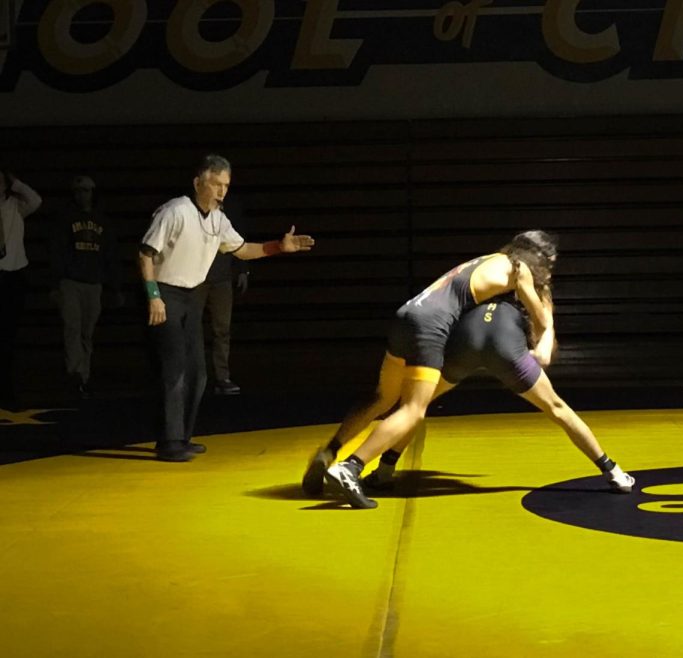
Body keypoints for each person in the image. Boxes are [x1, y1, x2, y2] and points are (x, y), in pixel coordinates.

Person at [302, 295, 634, 507]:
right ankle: (613, 471)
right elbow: (544, 348)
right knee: (558, 408)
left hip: (462, 344)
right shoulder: (534, 290)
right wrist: (541, 342)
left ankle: (383, 469)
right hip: (506, 347)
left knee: (413, 406)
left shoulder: (485, 286)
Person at [312, 231, 558, 508]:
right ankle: (351, 467)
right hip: (429, 327)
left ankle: (330, 451)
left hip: (407, 314)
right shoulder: (519, 269)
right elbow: (539, 318)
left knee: (382, 398)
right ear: (540, 258)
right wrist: (546, 310)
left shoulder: (488, 260)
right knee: (414, 409)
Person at [138, 154, 314, 462]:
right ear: (198, 182)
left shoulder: (219, 220)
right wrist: (154, 295)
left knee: (198, 373)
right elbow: (145, 254)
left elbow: (243, 249)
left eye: (226, 186)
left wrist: (278, 247)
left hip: (192, 296)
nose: (221, 191)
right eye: (216, 184)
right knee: (174, 369)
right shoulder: (176, 210)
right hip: (166, 293)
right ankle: (168, 441)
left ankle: (182, 436)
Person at [49, 175, 123, 398]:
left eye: (86, 190)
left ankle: (84, 376)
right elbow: (56, 252)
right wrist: (55, 283)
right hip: (70, 282)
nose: (82, 195)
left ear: (93, 193)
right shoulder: (65, 219)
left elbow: (111, 255)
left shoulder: (103, 221)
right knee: (72, 328)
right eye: (79, 191)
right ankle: (76, 375)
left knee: (86, 332)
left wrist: (115, 286)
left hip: (94, 283)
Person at [198, 194, 250, 396]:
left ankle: (222, 377)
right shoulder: (193, 207)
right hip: (197, 276)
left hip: (222, 277)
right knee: (193, 329)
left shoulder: (231, 208)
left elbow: (240, 240)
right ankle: (195, 377)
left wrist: (242, 269)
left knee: (222, 329)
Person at [0, 170, 42, 408]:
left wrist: (15, 182)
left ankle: (6, 388)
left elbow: (36, 200)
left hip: (13, 275)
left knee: (8, 336)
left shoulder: (16, 206)